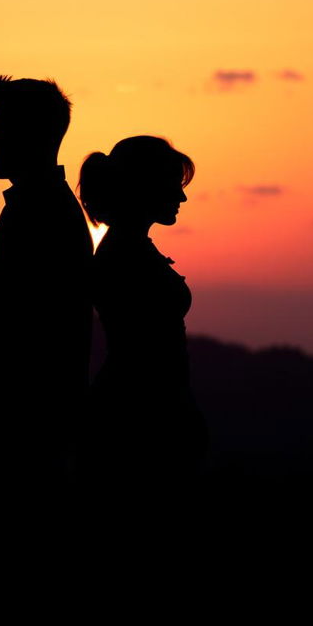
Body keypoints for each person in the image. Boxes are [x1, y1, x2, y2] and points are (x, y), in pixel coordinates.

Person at [0, 76, 93, 487]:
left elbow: (10, 314)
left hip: (27, 420)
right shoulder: (43, 207)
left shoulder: (39, 214)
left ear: (29, 136)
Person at [78, 136, 207, 496]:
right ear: (144, 188)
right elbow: (145, 357)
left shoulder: (128, 248)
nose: (181, 198)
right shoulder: (124, 256)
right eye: (172, 186)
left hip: (143, 411)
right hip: (138, 419)